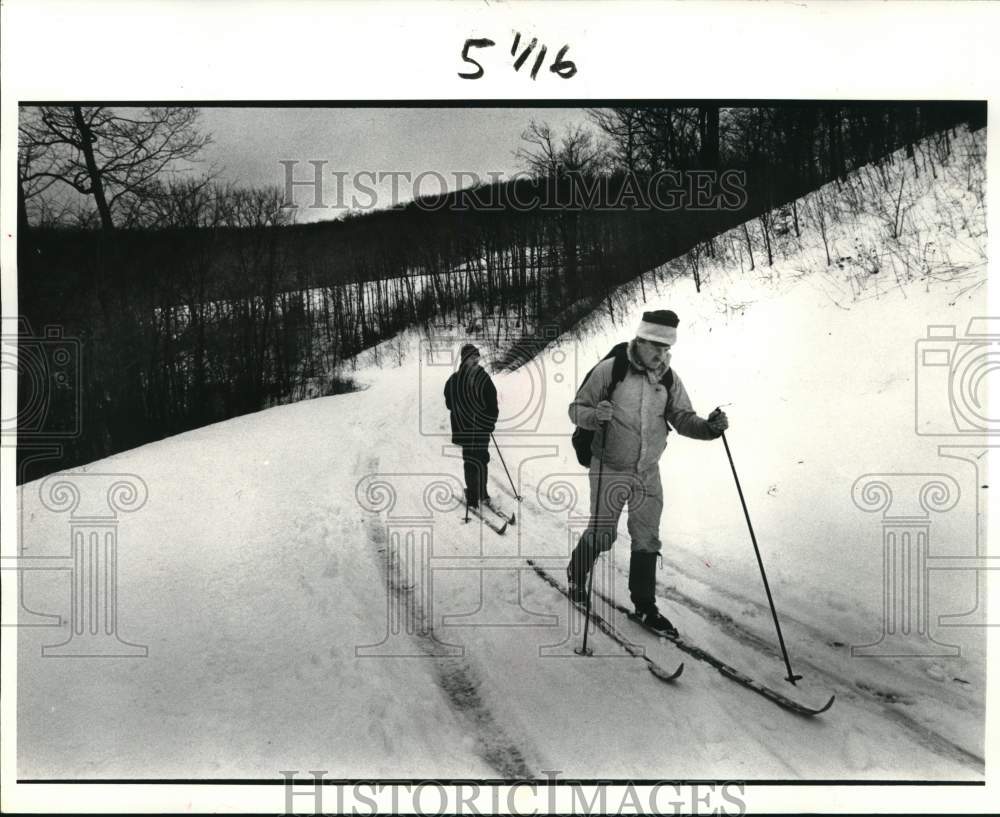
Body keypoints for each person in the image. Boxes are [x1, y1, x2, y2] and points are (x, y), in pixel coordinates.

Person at [567, 309, 729, 636]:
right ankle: (575, 575)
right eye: (656, 346)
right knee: (603, 534)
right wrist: (594, 415)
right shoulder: (610, 371)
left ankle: (644, 605)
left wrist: (710, 428)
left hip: (647, 471)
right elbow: (576, 409)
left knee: (647, 538)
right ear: (639, 340)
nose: (661, 354)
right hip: (609, 466)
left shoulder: (668, 378)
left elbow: (682, 418)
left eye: (667, 348)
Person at [444, 343, 499, 510]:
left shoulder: (484, 378)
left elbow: (493, 403)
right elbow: (449, 403)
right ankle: (473, 497)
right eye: (472, 357)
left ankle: (483, 492)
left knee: (482, 460)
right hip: (465, 429)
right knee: (470, 461)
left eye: (477, 357)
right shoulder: (454, 380)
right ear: (464, 360)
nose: (476, 360)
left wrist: (489, 422)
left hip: (482, 429)